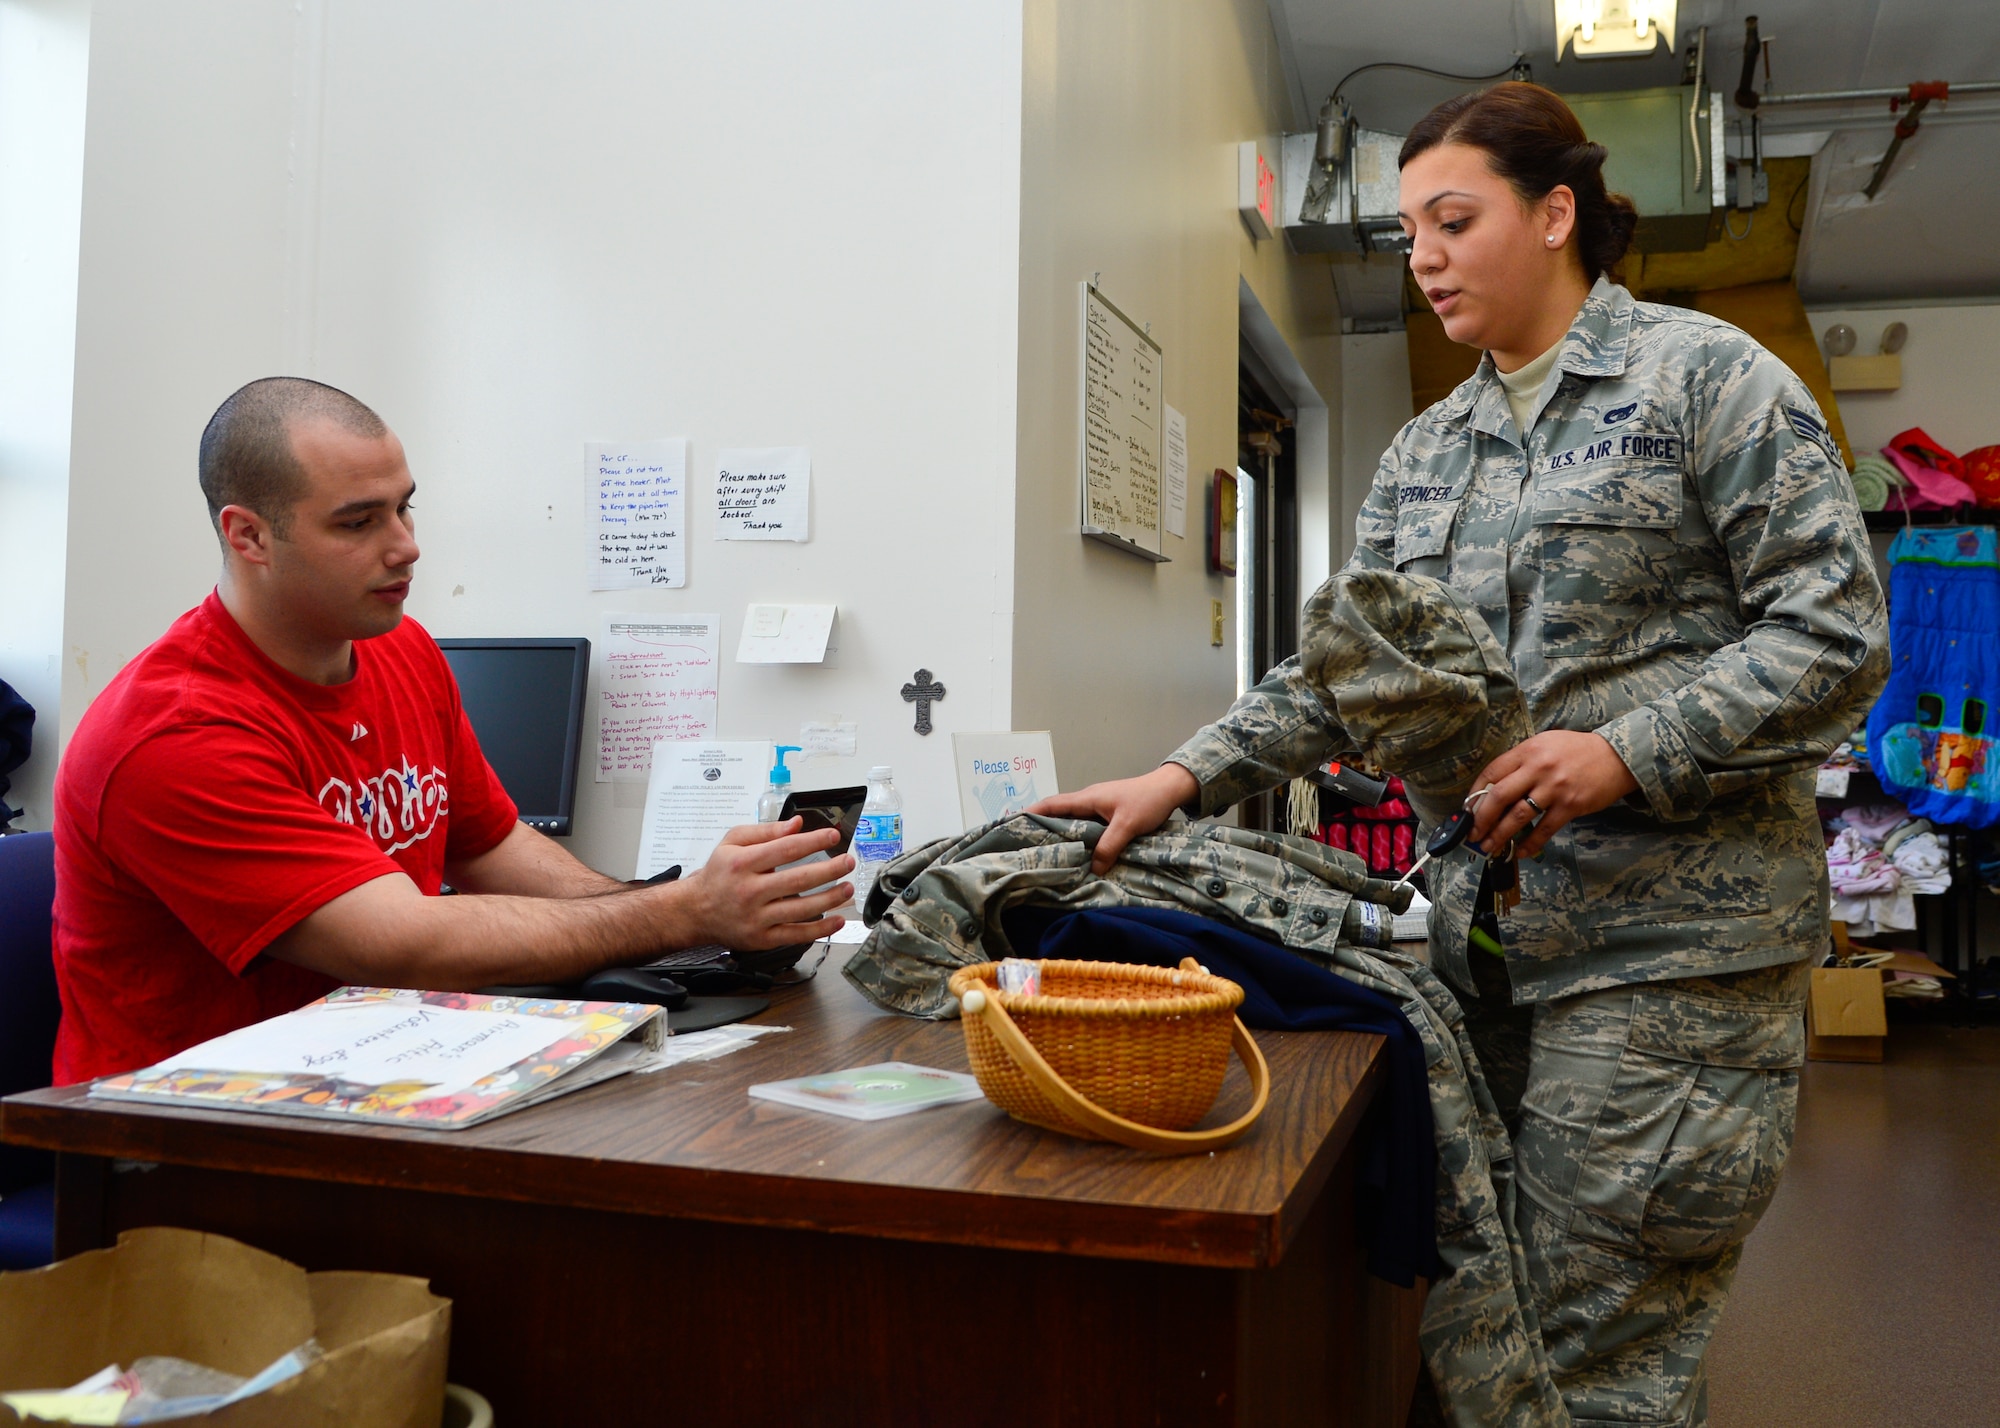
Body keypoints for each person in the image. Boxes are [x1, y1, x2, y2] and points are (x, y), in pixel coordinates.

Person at [1037, 83, 1887, 1426]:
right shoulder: (1431, 451)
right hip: (1485, 959)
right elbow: (1350, 674)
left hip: (1673, 958)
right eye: (1405, 232)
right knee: (1484, 1335)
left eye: (1452, 219)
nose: (1421, 256)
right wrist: (1186, 773)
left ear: (1556, 216)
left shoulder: (1709, 381)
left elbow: (1837, 635)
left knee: (1600, 1342)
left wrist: (1625, 752)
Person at [52, 378, 852, 1084]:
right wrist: (679, 913)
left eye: (404, 506)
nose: (406, 546)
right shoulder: (174, 736)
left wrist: (684, 925)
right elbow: (397, 942)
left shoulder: (398, 648)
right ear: (249, 535)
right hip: (184, 1134)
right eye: (358, 522)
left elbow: (488, 845)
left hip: (386, 1069)